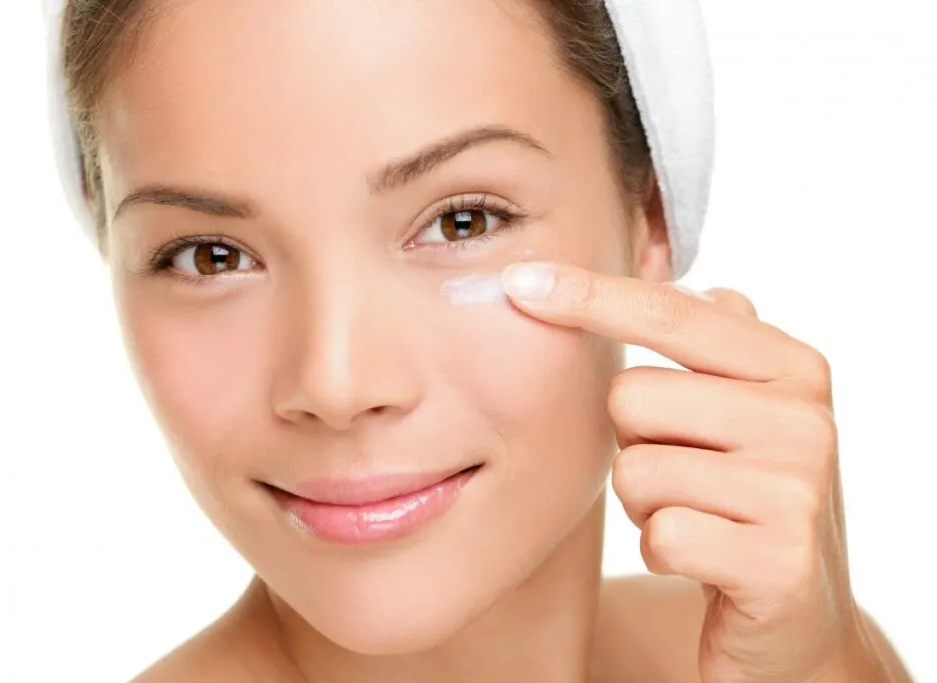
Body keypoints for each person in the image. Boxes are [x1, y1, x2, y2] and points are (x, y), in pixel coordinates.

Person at [50, 1, 915, 681]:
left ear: (651, 210)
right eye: (210, 256)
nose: (338, 383)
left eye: (461, 221)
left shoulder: (757, 655)